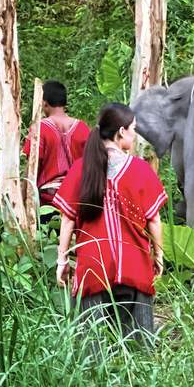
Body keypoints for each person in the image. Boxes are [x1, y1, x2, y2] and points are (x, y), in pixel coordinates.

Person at [52, 103, 168, 344]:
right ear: (121, 132)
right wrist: (158, 255)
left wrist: (62, 260)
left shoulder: (80, 169)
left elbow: (67, 219)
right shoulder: (140, 169)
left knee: (90, 350)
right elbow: (154, 219)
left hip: (93, 268)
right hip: (134, 267)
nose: (134, 134)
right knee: (140, 346)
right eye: (133, 129)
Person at [22, 81, 91, 211]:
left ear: (44, 102)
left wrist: (23, 195)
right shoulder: (82, 127)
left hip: (48, 198)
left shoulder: (40, 128)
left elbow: (32, 165)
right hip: (77, 197)